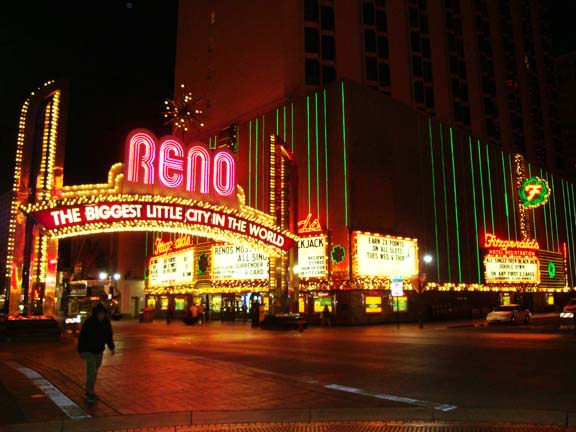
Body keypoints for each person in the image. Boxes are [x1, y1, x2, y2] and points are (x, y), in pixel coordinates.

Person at [77, 303, 115, 404]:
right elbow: (82, 337)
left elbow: (108, 336)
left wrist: (111, 347)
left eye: (103, 314)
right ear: (96, 314)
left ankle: (91, 390)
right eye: (100, 314)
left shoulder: (106, 323)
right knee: (92, 372)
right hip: (89, 351)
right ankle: (88, 392)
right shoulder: (89, 322)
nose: (101, 316)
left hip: (99, 351)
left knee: (94, 371)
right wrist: (81, 350)